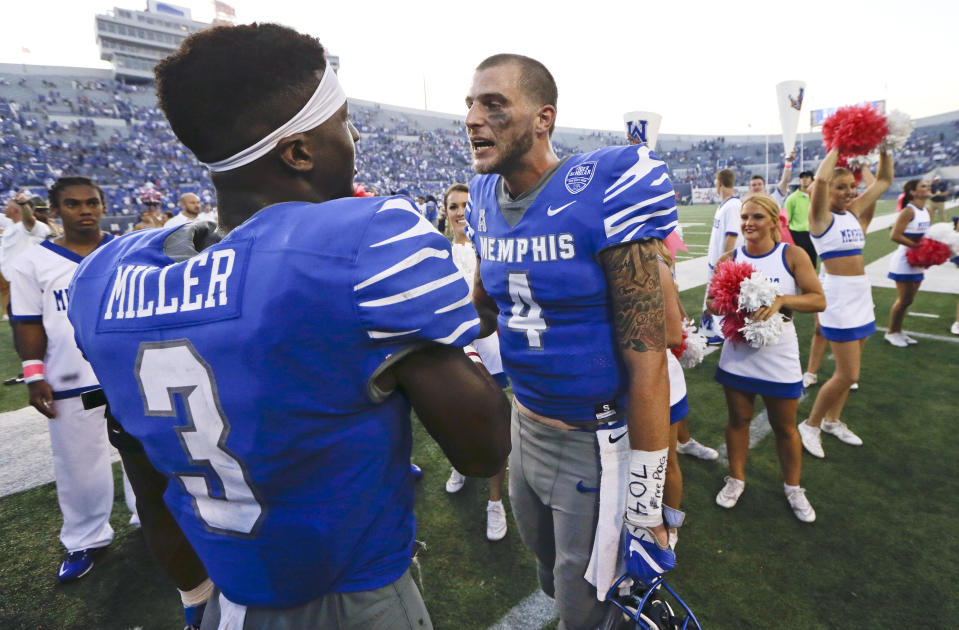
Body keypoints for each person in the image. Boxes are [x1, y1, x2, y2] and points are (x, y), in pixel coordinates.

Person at [68, 23, 510, 629]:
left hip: (231, 597)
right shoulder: (359, 246)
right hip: (353, 597)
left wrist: (195, 597)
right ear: (299, 151)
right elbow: (484, 447)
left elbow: (144, 471)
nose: (352, 136)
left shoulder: (106, 280)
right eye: (344, 121)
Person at [465, 53, 677, 629]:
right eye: (470, 104)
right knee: (548, 575)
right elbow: (486, 308)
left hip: (593, 439)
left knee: (589, 607)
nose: (473, 118)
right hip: (524, 422)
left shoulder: (602, 187)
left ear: (543, 118)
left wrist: (645, 496)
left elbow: (648, 357)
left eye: (493, 104)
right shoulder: (483, 199)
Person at [9, 176, 137, 582]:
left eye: (92, 202)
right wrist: (34, 374)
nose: (85, 210)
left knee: (146, 454)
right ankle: (86, 538)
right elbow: (27, 321)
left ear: (103, 206)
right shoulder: (33, 262)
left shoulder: (126, 251)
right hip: (69, 375)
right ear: (56, 210)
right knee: (78, 465)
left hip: (129, 372)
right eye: (73, 204)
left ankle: (150, 520)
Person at [709, 194, 825, 522]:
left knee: (785, 427)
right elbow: (711, 304)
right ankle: (736, 478)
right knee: (738, 420)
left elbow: (818, 299)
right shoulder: (728, 258)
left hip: (780, 353)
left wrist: (779, 300)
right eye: (745, 217)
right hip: (738, 353)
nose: (748, 223)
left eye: (757, 217)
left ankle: (793, 488)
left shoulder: (793, 255)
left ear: (774, 220)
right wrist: (733, 302)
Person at [798, 148, 893, 458]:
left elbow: (884, 180)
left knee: (854, 371)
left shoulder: (853, 212)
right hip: (838, 297)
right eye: (842, 187)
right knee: (848, 374)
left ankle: (832, 420)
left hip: (860, 294)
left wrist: (885, 149)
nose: (850, 192)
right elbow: (822, 179)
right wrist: (837, 145)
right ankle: (810, 424)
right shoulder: (820, 217)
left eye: (852, 186)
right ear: (828, 191)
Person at [441, 182, 510, 542]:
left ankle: (495, 501)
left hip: (489, 343)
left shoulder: (492, 248)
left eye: (465, 205)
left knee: (495, 417)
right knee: (459, 417)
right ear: (446, 212)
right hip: (456, 345)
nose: (459, 212)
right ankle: (460, 464)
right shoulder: (438, 254)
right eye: (453, 206)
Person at [884, 179, 931, 347]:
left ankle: (899, 331)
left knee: (909, 300)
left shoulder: (927, 211)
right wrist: (916, 246)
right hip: (904, 260)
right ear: (913, 192)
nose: (928, 188)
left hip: (918, 261)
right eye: (923, 186)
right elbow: (894, 235)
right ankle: (891, 332)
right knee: (904, 300)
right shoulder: (908, 211)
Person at [702, 169, 742, 344]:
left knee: (718, 300)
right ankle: (710, 329)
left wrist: (724, 265)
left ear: (719, 183)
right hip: (714, 263)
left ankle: (720, 332)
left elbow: (731, 236)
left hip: (720, 264)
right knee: (710, 300)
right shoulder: (725, 205)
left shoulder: (733, 205)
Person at [784, 170, 817, 267]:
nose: (804, 180)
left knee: (812, 264)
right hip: (797, 234)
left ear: (812, 180)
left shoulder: (816, 197)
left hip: (812, 233)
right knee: (799, 262)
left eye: (807, 177)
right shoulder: (792, 198)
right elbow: (786, 219)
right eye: (802, 177)